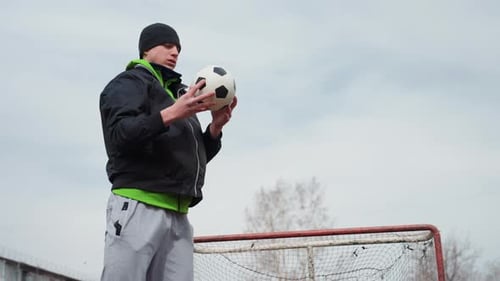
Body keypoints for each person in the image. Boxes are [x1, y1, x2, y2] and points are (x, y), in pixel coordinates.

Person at [99, 23, 237, 281]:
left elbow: (193, 157)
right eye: (167, 45)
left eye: (178, 48)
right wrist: (172, 113)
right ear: (146, 50)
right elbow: (120, 136)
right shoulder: (128, 82)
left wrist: (215, 128)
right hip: (138, 204)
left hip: (179, 215)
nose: (175, 52)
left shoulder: (179, 94)